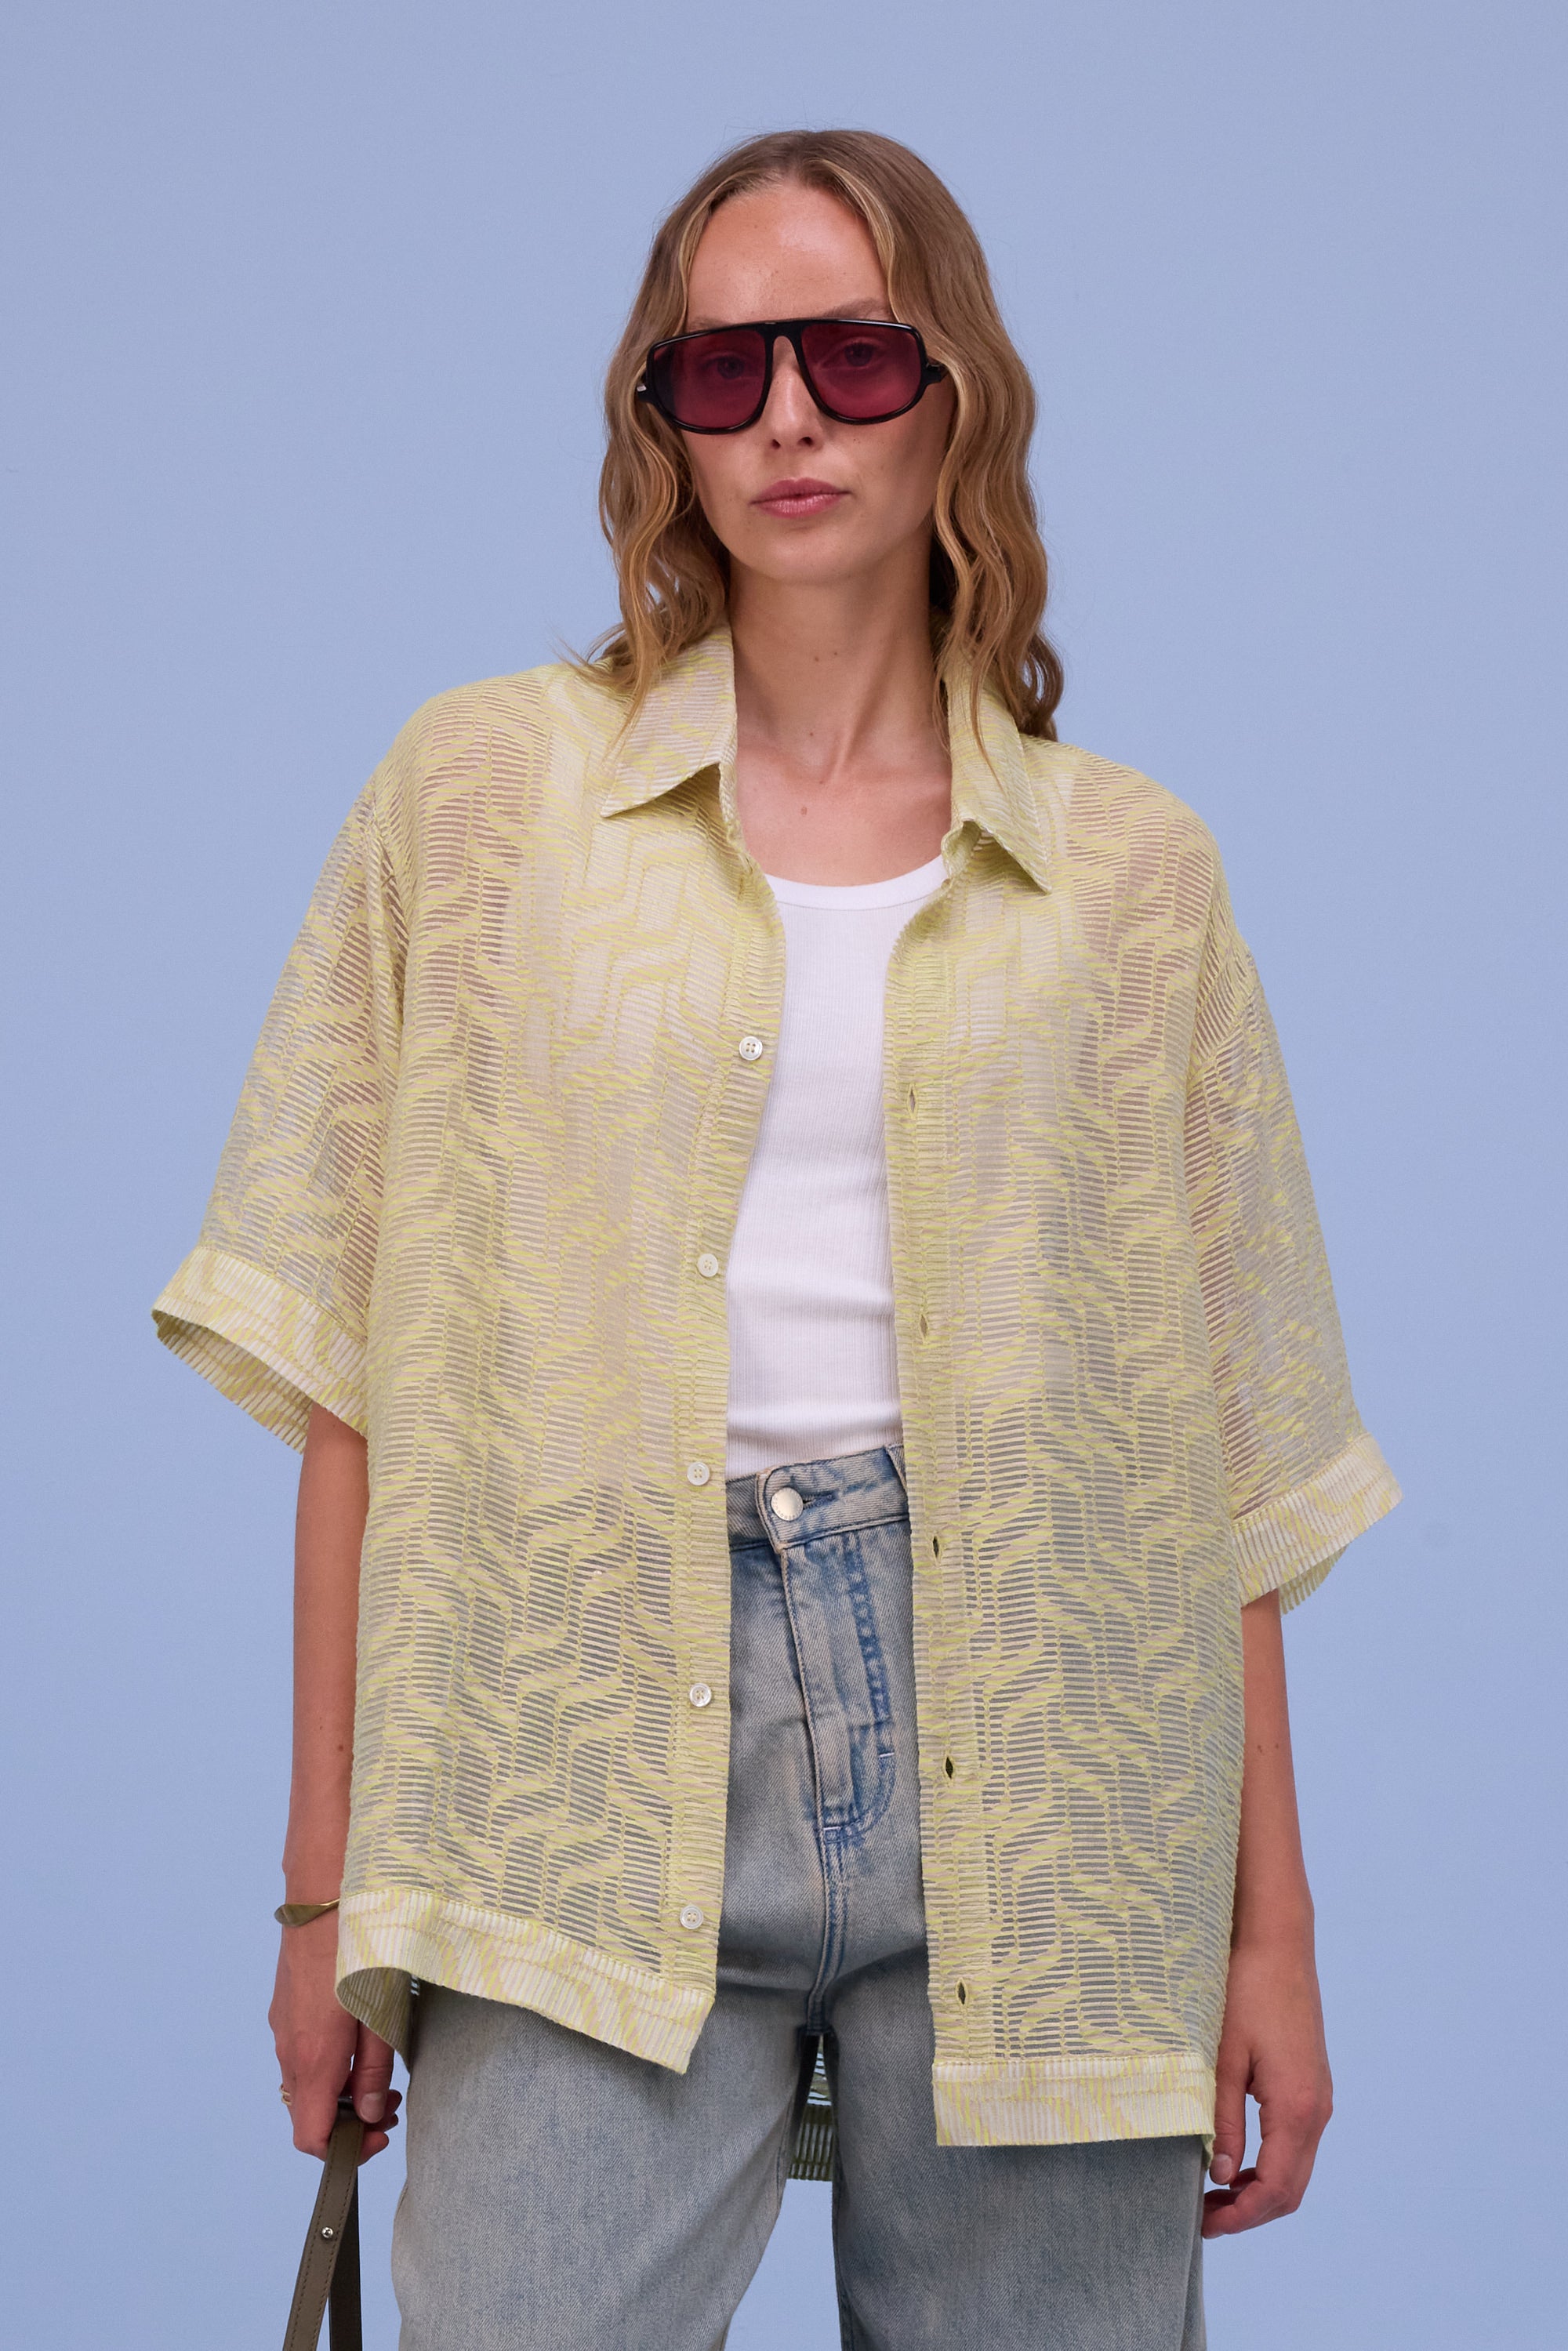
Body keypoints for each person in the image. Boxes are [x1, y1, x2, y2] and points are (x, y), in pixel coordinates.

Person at [153, 128, 1401, 2349]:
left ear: (957, 389)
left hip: (1048, 1759)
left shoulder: (1133, 876)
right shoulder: (481, 799)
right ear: (664, 421)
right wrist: (324, 1898)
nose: (791, 420)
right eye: (722, 372)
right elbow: (360, 1374)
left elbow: (1213, 1456)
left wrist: (1267, 1940)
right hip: (569, 1734)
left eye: (852, 356)